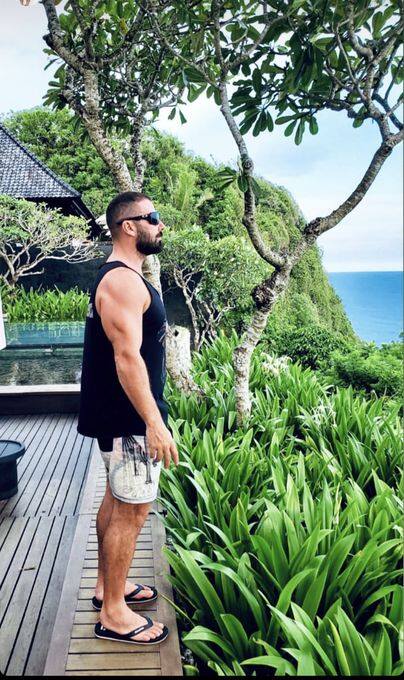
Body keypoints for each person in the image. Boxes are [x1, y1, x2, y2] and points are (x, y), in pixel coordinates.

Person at [77, 191, 179, 646]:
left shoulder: (127, 277)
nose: (161, 225)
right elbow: (127, 358)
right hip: (129, 419)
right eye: (153, 217)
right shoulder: (121, 281)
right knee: (132, 511)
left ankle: (107, 589)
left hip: (119, 417)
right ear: (128, 226)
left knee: (116, 501)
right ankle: (115, 614)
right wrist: (154, 423)